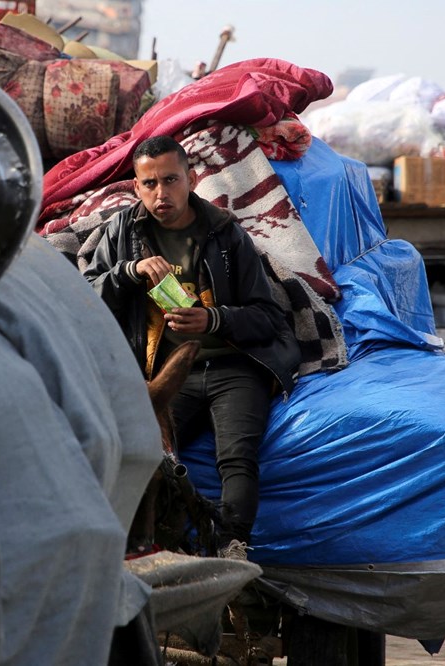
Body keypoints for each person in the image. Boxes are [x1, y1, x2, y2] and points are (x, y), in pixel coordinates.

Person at [83, 135, 300, 559]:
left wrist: (214, 319)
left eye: (170, 180)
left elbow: (268, 316)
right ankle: (157, 546)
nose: (160, 193)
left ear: (191, 178)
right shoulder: (121, 234)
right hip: (165, 371)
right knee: (143, 453)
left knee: (237, 456)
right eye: (149, 184)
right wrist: (129, 271)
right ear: (135, 185)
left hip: (233, 366)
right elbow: (85, 300)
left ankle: (233, 546)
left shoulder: (225, 234)